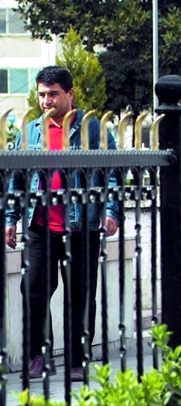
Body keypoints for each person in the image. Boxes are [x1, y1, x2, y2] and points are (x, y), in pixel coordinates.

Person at [4, 66, 119, 381]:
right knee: (33, 290)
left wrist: (111, 211)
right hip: (39, 225)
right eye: (42, 94)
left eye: (53, 93)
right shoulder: (30, 132)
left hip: (81, 227)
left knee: (79, 296)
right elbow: (16, 178)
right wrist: (11, 218)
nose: (46, 100)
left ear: (70, 94)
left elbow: (113, 175)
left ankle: (76, 361)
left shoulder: (93, 130)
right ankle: (38, 355)